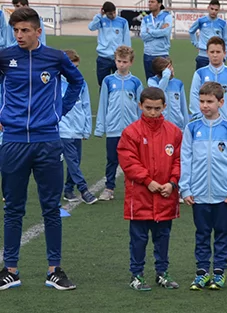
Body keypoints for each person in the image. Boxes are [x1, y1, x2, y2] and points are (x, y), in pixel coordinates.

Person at [0, 6, 84, 291]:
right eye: (16, 30)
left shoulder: (55, 57)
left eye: (25, 30)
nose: (19, 35)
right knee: (13, 208)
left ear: (38, 31)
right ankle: (10, 270)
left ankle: (54, 270)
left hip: (47, 142)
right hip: (12, 142)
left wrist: (59, 111)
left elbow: (78, 82)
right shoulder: (5, 57)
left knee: (51, 208)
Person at [117, 86, 183, 291]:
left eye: (157, 108)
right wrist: (148, 181)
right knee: (138, 238)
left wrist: (172, 183)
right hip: (140, 197)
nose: (153, 112)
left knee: (163, 237)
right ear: (140, 106)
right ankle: (136, 274)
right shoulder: (131, 132)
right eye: (148, 108)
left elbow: (180, 160)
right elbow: (128, 161)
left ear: (165, 106)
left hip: (165, 196)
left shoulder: (174, 132)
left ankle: (162, 273)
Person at [181, 82, 227, 291]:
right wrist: (186, 188)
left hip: (223, 194)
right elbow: (185, 159)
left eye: (209, 101)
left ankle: (219, 271)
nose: (205, 105)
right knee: (202, 234)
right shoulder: (192, 128)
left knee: (222, 233)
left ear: (221, 102)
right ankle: (201, 272)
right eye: (201, 101)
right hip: (198, 194)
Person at [95, 45, 144, 202]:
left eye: (124, 61)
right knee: (112, 159)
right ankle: (109, 188)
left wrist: (141, 127)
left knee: (133, 160)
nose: (121, 64)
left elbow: (140, 107)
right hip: (113, 129)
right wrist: (100, 128)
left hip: (131, 130)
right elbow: (103, 105)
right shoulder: (108, 81)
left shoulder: (136, 82)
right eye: (118, 61)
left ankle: (134, 188)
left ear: (131, 62)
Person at [59, 50, 97, 205]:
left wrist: (86, 128)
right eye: (72, 67)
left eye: (77, 67)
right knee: (72, 160)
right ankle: (84, 190)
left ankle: (68, 190)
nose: (74, 71)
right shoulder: (55, 83)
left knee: (76, 160)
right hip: (63, 129)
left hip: (78, 128)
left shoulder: (81, 83)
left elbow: (86, 106)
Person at [190, 37, 227, 123]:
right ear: (207, 53)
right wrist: (199, 117)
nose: (215, 55)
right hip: (205, 123)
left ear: (224, 53)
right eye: (212, 52)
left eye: (218, 52)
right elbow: (194, 96)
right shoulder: (200, 73)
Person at [89, 1, 130, 86]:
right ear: (104, 12)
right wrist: (99, 16)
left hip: (118, 57)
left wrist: (127, 53)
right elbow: (91, 27)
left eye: (114, 12)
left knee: (120, 83)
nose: (113, 15)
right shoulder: (100, 20)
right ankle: (103, 99)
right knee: (103, 84)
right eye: (110, 14)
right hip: (103, 57)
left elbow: (126, 39)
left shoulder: (123, 21)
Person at [188, 0, 227, 72]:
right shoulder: (201, 21)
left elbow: (226, 40)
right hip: (203, 56)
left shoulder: (222, 23)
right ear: (208, 8)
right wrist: (196, 44)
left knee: (216, 81)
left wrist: (226, 56)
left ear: (218, 10)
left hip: (217, 56)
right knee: (202, 80)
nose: (213, 11)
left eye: (216, 10)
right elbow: (191, 31)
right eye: (212, 9)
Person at [139, 0, 173, 81]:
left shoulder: (166, 16)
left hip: (162, 54)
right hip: (148, 55)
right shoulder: (146, 19)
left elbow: (165, 32)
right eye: (149, 2)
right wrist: (158, 31)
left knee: (164, 81)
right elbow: (143, 36)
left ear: (159, 4)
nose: (149, 4)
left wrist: (150, 31)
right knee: (150, 82)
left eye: (152, 2)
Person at [149, 57, 187, 131]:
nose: (171, 70)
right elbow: (158, 93)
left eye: (171, 66)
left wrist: (185, 126)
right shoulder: (152, 81)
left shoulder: (178, 83)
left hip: (177, 127)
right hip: (160, 127)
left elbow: (183, 107)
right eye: (168, 68)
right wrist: (166, 77)